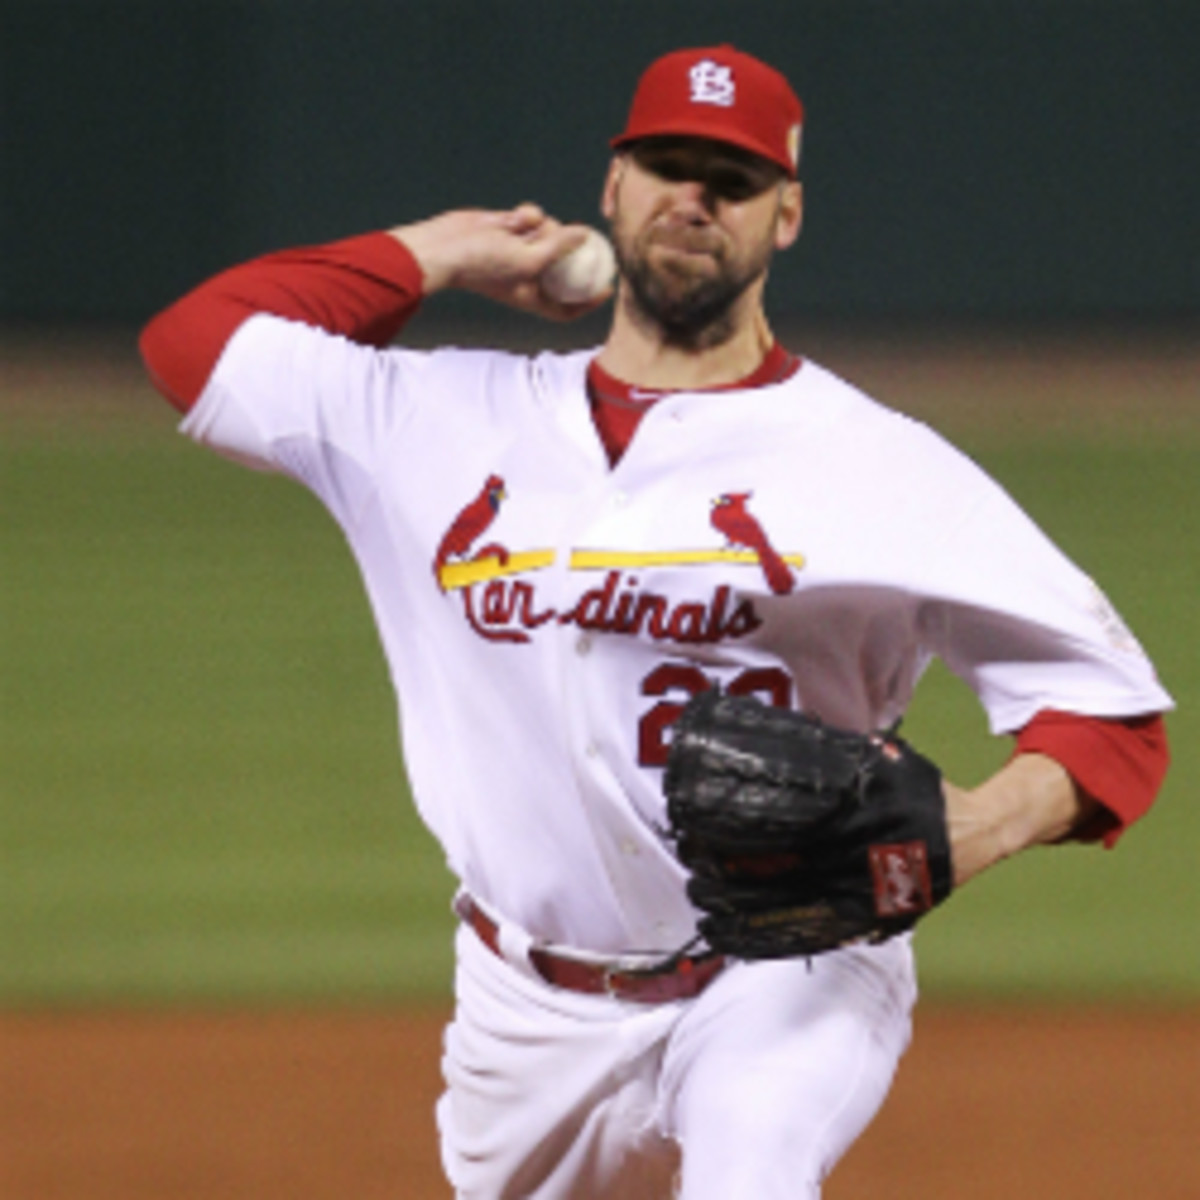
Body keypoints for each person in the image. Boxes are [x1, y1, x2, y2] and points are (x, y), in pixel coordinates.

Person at [140, 44, 1171, 1200]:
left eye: (731, 180)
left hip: (787, 968)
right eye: (669, 166)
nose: (695, 200)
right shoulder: (435, 415)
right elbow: (196, 343)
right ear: (612, 185)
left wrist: (972, 830)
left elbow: (1115, 718)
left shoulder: (883, 466)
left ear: (786, 214)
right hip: (521, 1011)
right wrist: (450, 251)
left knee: (751, 1171)